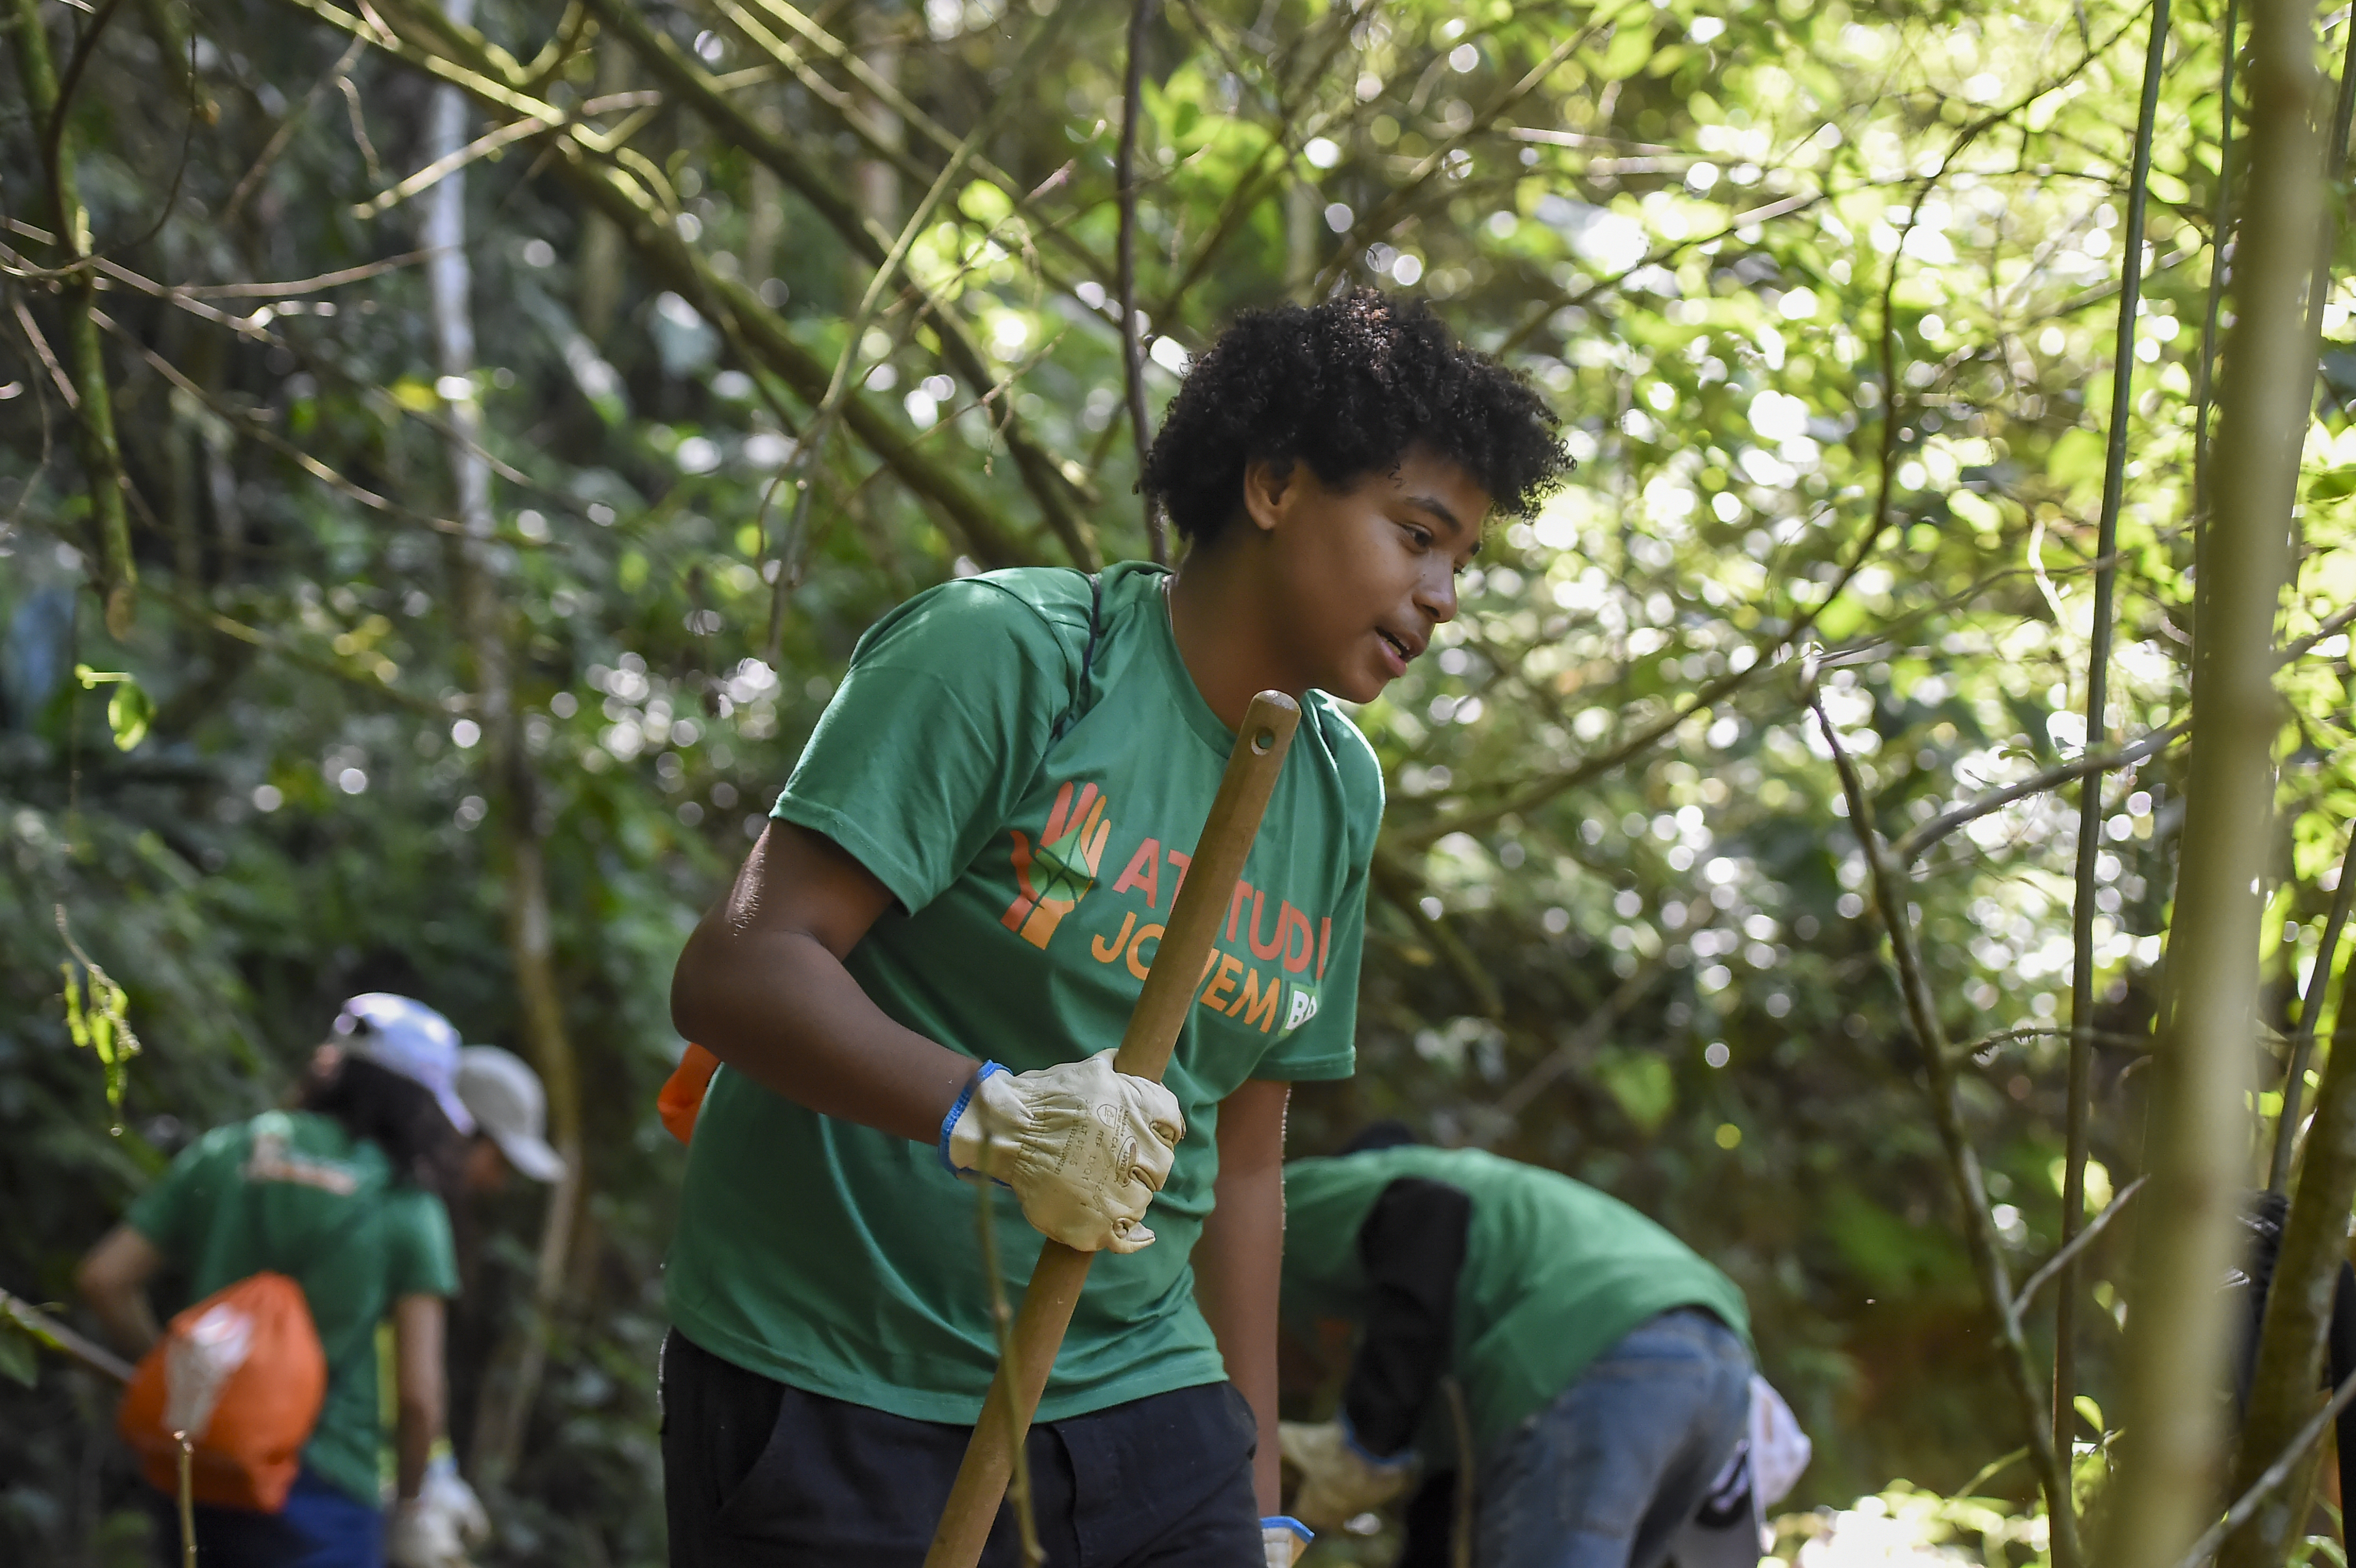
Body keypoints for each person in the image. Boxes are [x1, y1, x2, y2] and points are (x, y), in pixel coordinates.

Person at [662, 288, 1568, 1568]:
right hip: (841, 1376)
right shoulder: (1014, 657)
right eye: (1418, 537)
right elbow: (740, 970)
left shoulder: (1333, 787)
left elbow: (1242, 1161)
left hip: (1140, 1396)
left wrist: (1260, 1498)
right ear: (1272, 485)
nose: (1444, 597)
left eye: (1461, 561)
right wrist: (995, 1116)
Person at [76, 994, 474, 1568]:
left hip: (201, 1469)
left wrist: (187, 1383)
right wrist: (410, 1506)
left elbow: (104, 1279)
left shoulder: (228, 1149)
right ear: (418, 1103)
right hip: (326, 1486)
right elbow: (419, 1397)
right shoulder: (405, 1203)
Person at [1277, 1126, 1791, 1568]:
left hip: (1595, 1346)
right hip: (1719, 1356)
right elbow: (1448, 1509)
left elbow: (1428, 1215)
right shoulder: (1463, 1318)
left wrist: (1368, 1439)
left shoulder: (1288, 1203)